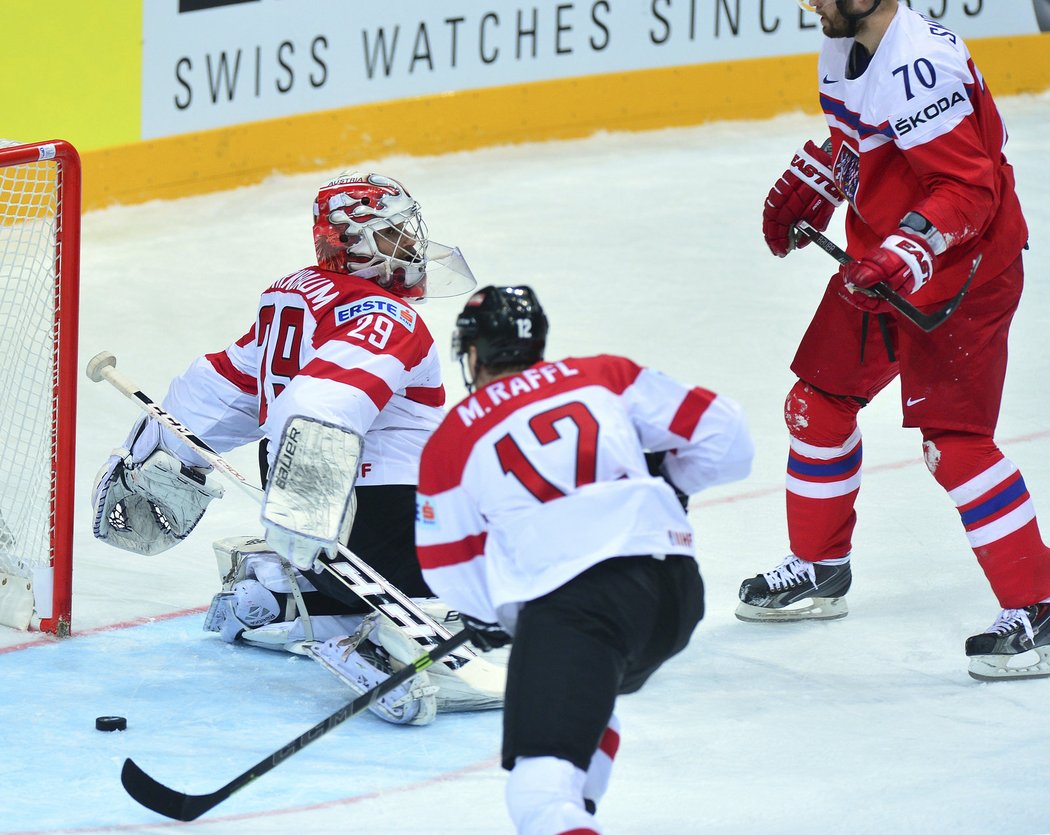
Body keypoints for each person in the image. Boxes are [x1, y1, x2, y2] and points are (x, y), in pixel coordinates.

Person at [741, 0, 1050, 680]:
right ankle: (818, 567)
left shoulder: (920, 65)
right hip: (885, 261)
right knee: (817, 399)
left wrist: (907, 248)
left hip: (964, 274)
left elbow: (969, 190)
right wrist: (819, 179)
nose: (811, 0)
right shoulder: (846, 43)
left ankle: (1040, 604)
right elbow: (859, 139)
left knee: (955, 444)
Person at [92, 170, 504, 723]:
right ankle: (400, 646)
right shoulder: (388, 318)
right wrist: (308, 509)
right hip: (368, 516)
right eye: (393, 233)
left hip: (313, 526)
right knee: (511, 580)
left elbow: (215, 390)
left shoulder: (298, 295)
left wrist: (151, 456)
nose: (411, 246)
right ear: (355, 243)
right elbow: (320, 405)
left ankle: (286, 599)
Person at [415, 285, 753, 834]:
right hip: (676, 590)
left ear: (473, 353)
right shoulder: (604, 374)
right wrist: (669, 481)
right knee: (587, 710)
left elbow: (449, 566)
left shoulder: (454, 435)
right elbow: (728, 438)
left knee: (538, 792)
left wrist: (498, 617)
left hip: (579, 605)